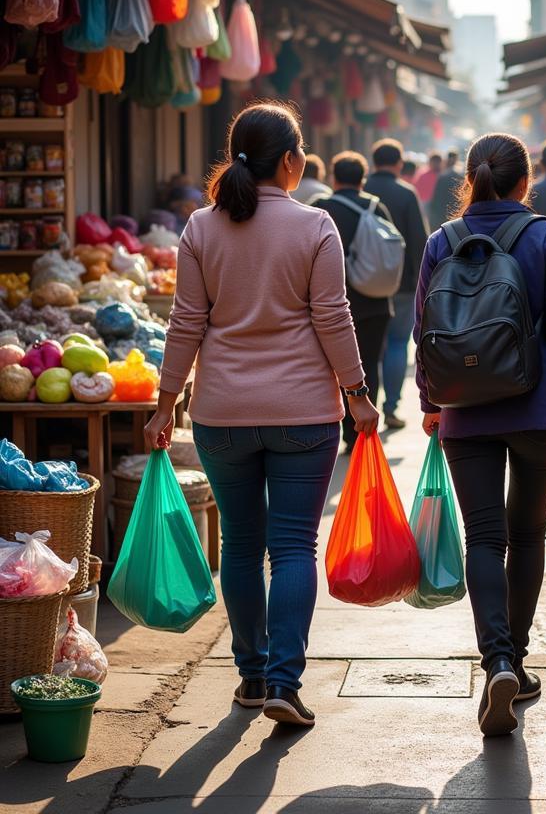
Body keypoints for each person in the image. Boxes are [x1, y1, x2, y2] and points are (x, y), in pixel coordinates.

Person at [144, 102, 377, 729]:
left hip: (221, 414)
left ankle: (250, 675)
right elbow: (333, 316)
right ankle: (283, 681)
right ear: (291, 160)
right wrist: (356, 392)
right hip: (304, 412)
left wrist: (165, 403)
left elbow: (186, 321)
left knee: (243, 548)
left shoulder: (199, 228)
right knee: (293, 547)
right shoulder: (315, 226)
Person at [415, 133, 546, 738]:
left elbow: (425, 328)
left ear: (471, 179)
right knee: (527, 533)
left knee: (484, 537)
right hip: (541, 410)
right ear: (524, 181)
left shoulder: (440, 242)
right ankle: (518, 662)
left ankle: (496, 658)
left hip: (466, 414)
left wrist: (430, 403)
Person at [315, 152, 394, 451]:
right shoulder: (376, 207)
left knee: (335, 366)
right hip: (375, 302)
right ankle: (362, 430)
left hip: (331, 303)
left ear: (333, 177)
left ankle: (345, 429)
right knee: (369, 364)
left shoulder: (321, 210)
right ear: (363, 178)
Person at [365, 139, 429, 430]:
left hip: (361, 284)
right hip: (402, 284)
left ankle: (366, 406)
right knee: (396, 344)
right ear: (399, 164)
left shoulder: (361, 191)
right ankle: (390, 408)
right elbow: (420, 241)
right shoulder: (406, 193)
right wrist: (422, 281)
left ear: (373, 161)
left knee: (367, 346)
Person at [428, 150, 463, 230]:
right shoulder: (460, 175)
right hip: (455, 214)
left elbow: (436, 200)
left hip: (442, 213)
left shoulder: (443, 175)